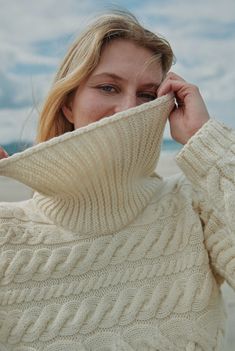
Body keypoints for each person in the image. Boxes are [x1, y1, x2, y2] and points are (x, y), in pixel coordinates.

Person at [0, 10, 234, 351]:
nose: (128, 110)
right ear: (68, 104)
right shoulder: (7, 233)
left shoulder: (194, 207)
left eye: (148, 96)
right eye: (108, 87)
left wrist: (205, 140)